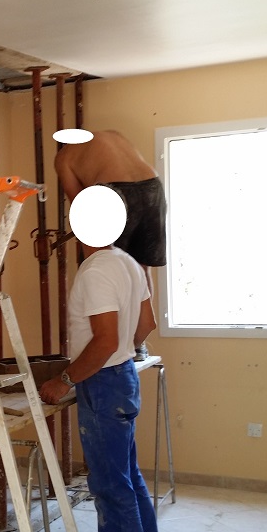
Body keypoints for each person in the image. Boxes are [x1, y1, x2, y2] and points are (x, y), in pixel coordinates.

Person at [39, 231, 160, 532]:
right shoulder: (128, 262)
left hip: (103, 383)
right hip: (123, 377)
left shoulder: (95, 271)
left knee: (111, 487)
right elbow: (146, 325)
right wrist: (123, 351)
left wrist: (64, 380)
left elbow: (105, 342)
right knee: (127, 476)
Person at [55, 129, 166, 359]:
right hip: (152, 188)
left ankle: (110, 345)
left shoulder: (64, 157)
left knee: (104, 264)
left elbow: (82, 206)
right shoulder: (111, 135)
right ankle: (137, 345)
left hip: (115, 191)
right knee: (141, 268)